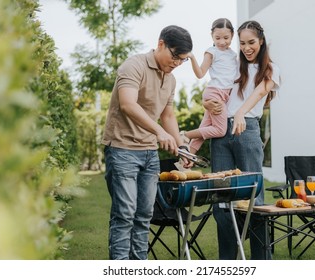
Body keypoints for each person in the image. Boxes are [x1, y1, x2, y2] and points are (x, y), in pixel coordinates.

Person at [101, 25, 193, 260]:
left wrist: (181, 146)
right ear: (161, 44)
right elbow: (128, 104)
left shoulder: (170, 79)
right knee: (124, 214)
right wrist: (159, 133)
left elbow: (168, 116)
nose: (177, 63)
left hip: (149, 154)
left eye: (182, 60)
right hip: (122, 150)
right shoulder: (134, 66)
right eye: (175, 56)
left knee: (144, 216)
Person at [205, 20, 281, 260]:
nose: (247, 48)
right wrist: (206, 102)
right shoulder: (233, 65)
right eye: (243, 43)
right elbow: (215, 87)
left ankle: (261, 262)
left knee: (254, 199)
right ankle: (227, 263)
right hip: (220, 132)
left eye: (251, 43)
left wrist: (240, 113)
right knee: (222, 199)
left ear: (261, 41)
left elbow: (260, 92)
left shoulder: (270, 68)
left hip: (247, 131)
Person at [181, 18, 238, 154]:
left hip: (223, 95)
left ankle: (187, 158)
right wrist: (193, 58)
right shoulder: (211, 52)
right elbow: (200, 74)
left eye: (226, 37)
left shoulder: (233, 55)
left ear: (232, 35)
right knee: (219, 130)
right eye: (217, 38)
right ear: (211, 35)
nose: (222, 42)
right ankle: (184, 135)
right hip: (215, 93)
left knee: (204, 128)